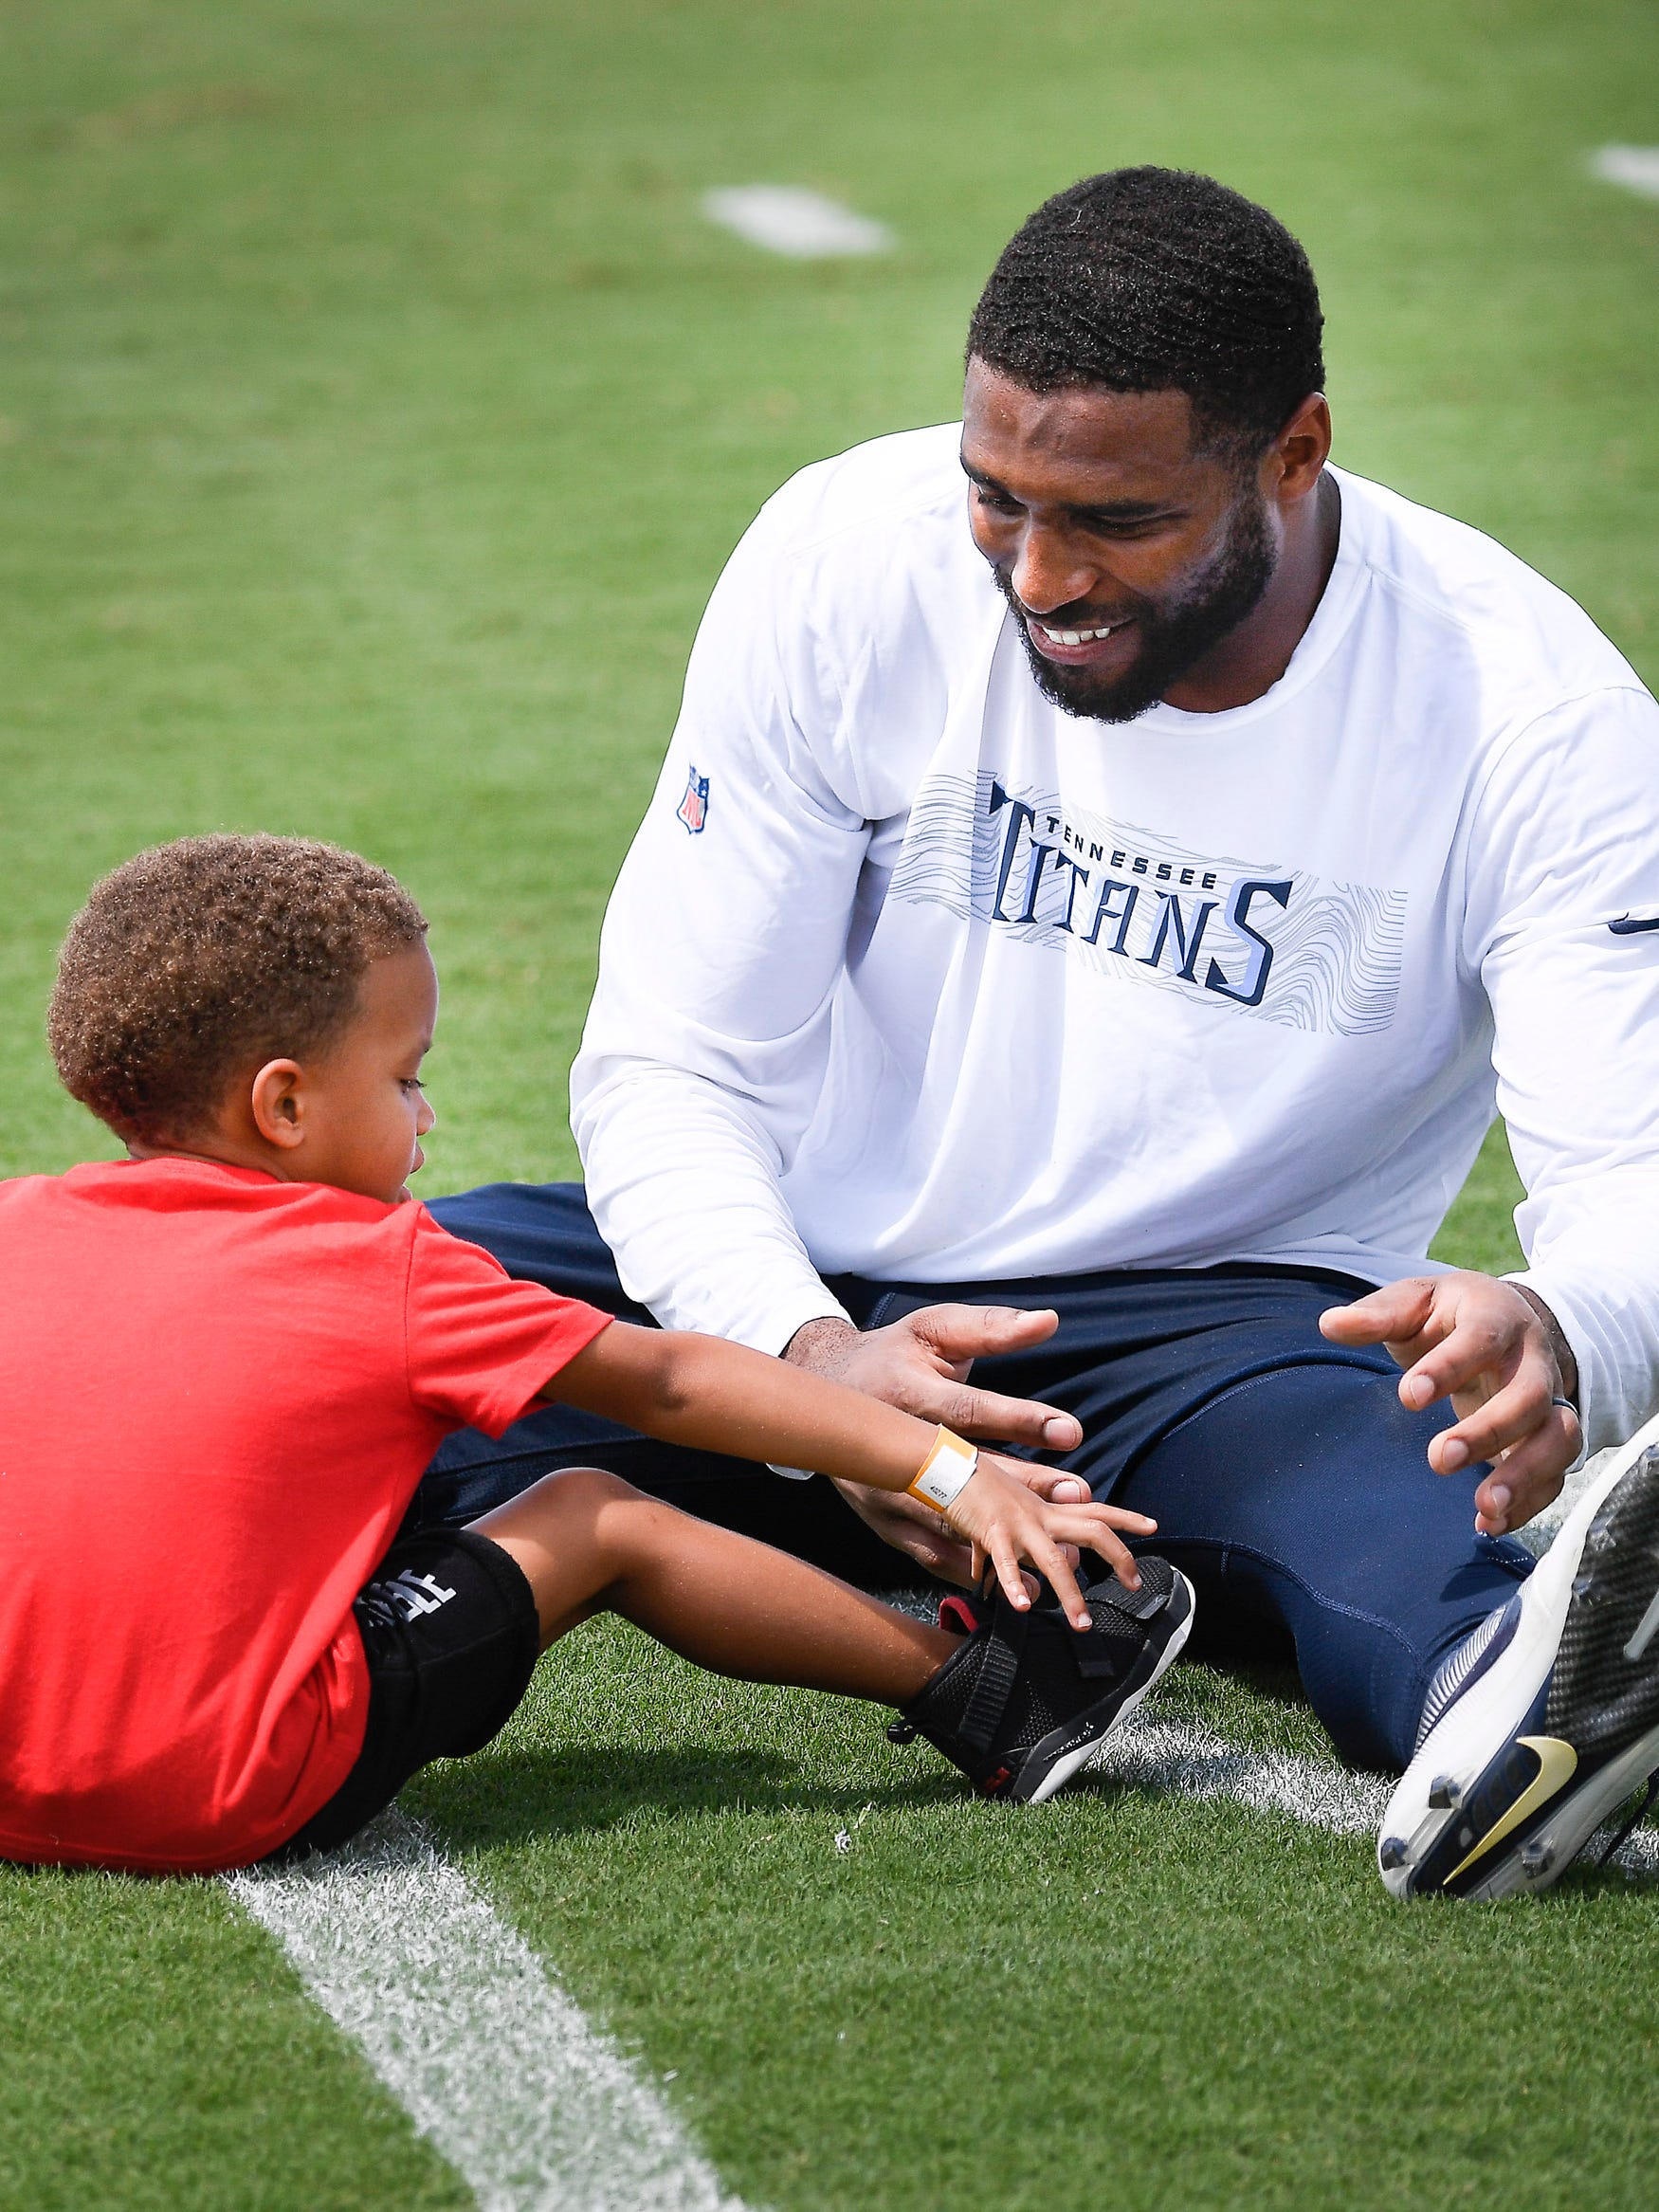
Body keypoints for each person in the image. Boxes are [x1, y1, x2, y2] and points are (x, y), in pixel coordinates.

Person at [421, 167, 1659, 1890]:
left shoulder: (1540, 723)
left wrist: (1566, 1321)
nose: (1040, 572)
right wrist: (811, 1368)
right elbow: (676, 1061)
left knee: (1402, 1507)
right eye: (995, 498)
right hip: (777, 1303)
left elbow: (1635, 1176)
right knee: (334, 1305)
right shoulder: (847, 555)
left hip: (1199, 1346)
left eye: (1117, 519)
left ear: (1294, 453)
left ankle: (1528, 1700)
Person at [0, 834, 1193, 1876]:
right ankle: (996, 1697)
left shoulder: (16, 1223)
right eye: (405, 1076)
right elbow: (673, 1379)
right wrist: (947, 1468)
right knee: (598, 1513)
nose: (428, 1116)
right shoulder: (384, 1265)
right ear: (285, 1106)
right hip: (225, 1787)